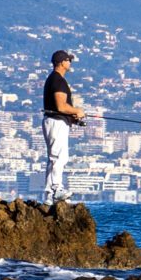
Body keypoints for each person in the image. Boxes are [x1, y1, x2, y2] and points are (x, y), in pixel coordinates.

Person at [41, 49, 83, 203]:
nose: (70, 62)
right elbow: (60, 106)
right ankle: (56, 188)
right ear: (62, 62)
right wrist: (77, 111)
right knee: (59, 157)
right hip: (56, 122)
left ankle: (50, 195)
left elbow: (60, 108)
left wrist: (72, 118)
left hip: (55, 121)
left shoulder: (53, 79)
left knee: (55, 157)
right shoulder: (58, 80)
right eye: (68, 60)